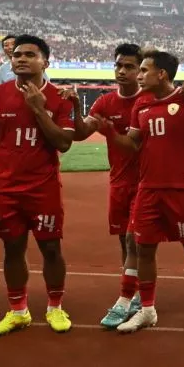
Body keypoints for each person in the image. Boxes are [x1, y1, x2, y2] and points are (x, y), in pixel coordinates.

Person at [96, 50, 184, 334]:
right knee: (143, 248)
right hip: (148, 189)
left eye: (144, 70)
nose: (139, 75)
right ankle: (147, 310)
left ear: (161, 74)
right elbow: (133, 143)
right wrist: (111, 133)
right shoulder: (142, 104)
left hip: (182, 188)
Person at [0, 34, 75, 337]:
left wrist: (37, 107)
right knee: (12, 249)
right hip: (6, 188)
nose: (20, 59)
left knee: (51, 248)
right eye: (17, 54)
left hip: (43, 188)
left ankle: (55, 307)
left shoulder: (61, 97)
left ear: (45, 61)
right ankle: (18, 311)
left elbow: (63, 142)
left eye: (30, 54)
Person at [64, 44, 144, 329]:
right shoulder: (104, 102)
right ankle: (134, 289)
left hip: (146, 183)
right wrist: (75, 107)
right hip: (119, 181)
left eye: (130, 66)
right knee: (125, 240)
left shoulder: (147, 101)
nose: (122, 71)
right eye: (119, 65)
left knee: (137, 241)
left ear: (141, 70)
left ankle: (133, 298)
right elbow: (81, 133)